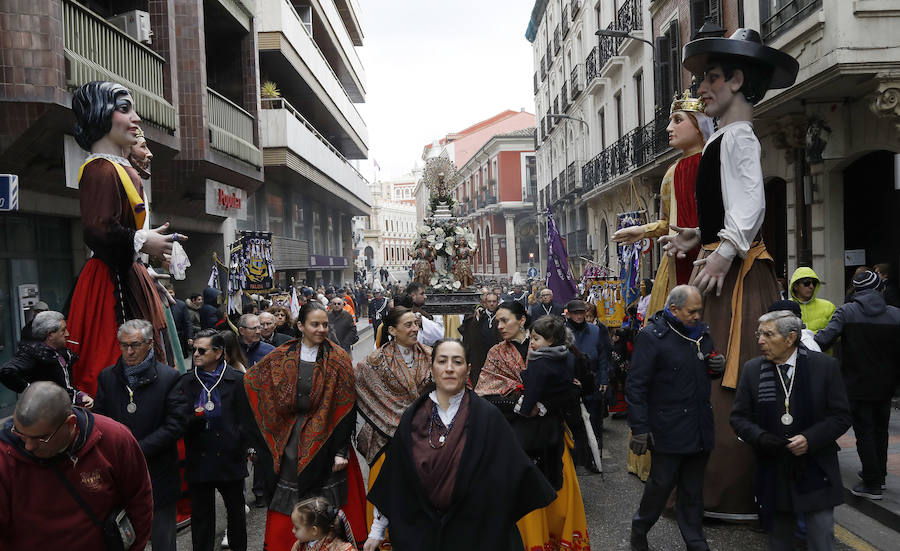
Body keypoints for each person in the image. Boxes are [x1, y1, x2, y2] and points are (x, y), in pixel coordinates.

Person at [660, 28, 800, 518]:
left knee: (730, 377)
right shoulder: (724, 137)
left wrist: (727, 250)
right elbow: (730, 206)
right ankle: (717, 490)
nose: (702, 89)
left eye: (711, 78)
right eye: (703, 80)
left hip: (737, 274)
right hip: (724, 262)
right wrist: (699, 236)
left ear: (738, 80)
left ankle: (731, 492)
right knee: (716, 372)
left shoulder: (739, 136)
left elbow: (752, 204)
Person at [364, 339, 556, 551]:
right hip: (422, 530)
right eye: (442, 361)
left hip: (475, 531)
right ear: (432, 367)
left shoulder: (487, 416)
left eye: (457, 362)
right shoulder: (414, 416)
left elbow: (513, 471)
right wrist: (377, 530)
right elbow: (396, 477)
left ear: (468, 370)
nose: (449, 369)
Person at [67, 81, 186, 397]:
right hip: (110, 282)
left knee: (146, 353)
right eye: (124, 109)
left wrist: (144, 268)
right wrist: (143, 241)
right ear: (101, 114)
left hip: (125, 274)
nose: (135, 119)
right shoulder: (101, 169)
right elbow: (97, 228)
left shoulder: (115, 168)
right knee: (118, 357)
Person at [244, 301, 367, 550]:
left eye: (324, 324)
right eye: (314, 324)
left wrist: (341, 451)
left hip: (330, 436)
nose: (321, 329)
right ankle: (288, 542)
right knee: (290, 494)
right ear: (300, 325)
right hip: (291, 437)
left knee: (328, 495)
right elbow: (252, 382)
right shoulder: (282, 354)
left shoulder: (339, 358)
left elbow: (346, 407)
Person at [475, 301, 591, 550]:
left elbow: (572, 388)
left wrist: (544, 404)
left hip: (551, 433)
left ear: (522, 320)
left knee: (558, 498)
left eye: (505, 320)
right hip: (517, 436)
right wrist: (520, 401)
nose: (500, 325)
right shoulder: (496, 353)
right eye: (497, 321)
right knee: (525, 502)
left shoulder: (547, 344)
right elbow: (485, 392)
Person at [731, 311, 851, 549]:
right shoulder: (753, 370)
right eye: (759, 334)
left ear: (790, 338)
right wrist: (761, 437)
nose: (760, 340)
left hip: (817, 468)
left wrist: (810, 438)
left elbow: (841, 416)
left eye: (768, 334)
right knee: (780, 541)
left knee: (821, 539)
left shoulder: (824, 367)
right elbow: (739, 418)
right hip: (775, 469)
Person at [626, 285, 724, 551]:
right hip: (667, 427)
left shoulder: (701, 333)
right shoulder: (652, 336)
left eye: (699, 311)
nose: (697, 316)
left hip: (699, 424)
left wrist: (717, 366)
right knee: (660, 486)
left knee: (693, 490)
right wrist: (640, 428)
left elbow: (707, 364)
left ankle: (695, 540)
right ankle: (640, 527)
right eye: (692, 311)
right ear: (674, 310)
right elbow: (636, 385)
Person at [0, 381, 153, 548]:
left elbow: (140, 501)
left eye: (40, 438)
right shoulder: (5, 457)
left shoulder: (114, 439)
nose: (29, 446)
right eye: (20, 434)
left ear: (71, 423)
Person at [613, 90, 714, 318]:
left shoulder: (714, 163)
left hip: (710, 262)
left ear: (699, 124)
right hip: (674, 265)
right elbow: (668, 223)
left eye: (678, 120)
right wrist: (643, 230)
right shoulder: (672, 172)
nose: (669, 128)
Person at [93, 319, 188, 551]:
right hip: (119, 471)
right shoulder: (108, 377)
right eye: (123, 345)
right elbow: (99, 417)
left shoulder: (168, 378)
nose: (129, 351)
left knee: (162, 537)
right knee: (121, 536)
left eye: (135, 345)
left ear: (149, 344)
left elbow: (176, 424)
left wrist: (138, 450)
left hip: (158, 470)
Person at [814, 270, 900, 499]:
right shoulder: (895, 315)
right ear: (879, 290)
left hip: (856, 383)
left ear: (857, 291)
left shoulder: (847, 312)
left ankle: (871, 484)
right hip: (887, 384)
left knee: (864, 431)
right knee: (881, 430)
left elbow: (823, 340)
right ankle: (878, 476)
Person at [355, 306, 431, 535]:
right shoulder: (374, 362)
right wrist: (397, 423)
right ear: (392, 330)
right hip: (386, 439)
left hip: (427, 438)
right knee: (387, 495)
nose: (414, 329)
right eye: (408, 325)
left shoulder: (430, 354)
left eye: (416, 324)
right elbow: (364, 390)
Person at [179, 329, 256, 551]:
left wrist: (246, 446)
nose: (195, 354)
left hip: (230, 458)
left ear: (218, 352)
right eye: (194, 349)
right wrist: (195, 416)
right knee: (202, 519)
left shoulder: (237, 380)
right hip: (199, 458)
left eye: (202, 350)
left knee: (236, 515)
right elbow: (178, 418)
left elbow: (246, 418)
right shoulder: (186, 382)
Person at [0, 310, 93, 407]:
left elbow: (63, 386)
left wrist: (79, 395)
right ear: (50, 335)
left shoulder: (59, 353)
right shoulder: (33, 353)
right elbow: (6, 372)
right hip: (46, 415)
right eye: (63, 330)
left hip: (63, 410)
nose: (67, 334)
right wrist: (33, 392)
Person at [565, 299, 611, 467]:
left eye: (581, 312)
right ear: (568, 314)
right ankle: (576, 457)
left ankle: (593, 458)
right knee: (574, 423)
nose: (579, 315)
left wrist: (604, 379)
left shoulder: (595, 330)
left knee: (594, 422)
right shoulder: (561, 332)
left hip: (593, 380)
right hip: (571, 383)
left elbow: (604, 357)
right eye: (575, 312)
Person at [458, 291, 502, 386]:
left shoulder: (502, 316)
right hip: (480, 356)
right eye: (489, 301)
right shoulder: (478, 316)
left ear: (498, 302)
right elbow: (468, 333)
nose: (491, 304)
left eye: (494, 301)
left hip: (497, 356)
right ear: (484, 303)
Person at [292, 497, 357, 551]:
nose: (293, 530)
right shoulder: (299, 546)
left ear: (314, 530)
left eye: (296, 528)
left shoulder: (340, 548)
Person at [788, 267, 835, 333]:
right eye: (806, 283)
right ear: (795, 286)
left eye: (814, 283)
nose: (811, 286)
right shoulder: (785, 307)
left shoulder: (829, 307)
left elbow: (835, 334)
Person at [166, 282, 194, 359]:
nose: (169, 294)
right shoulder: (161, 305)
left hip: (180, 337)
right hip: (167, 337)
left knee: (181, 358)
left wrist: (189, 337)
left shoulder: (181, 305)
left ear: (174, 292)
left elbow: (187, 322)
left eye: (171, 292)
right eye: (167, 292)